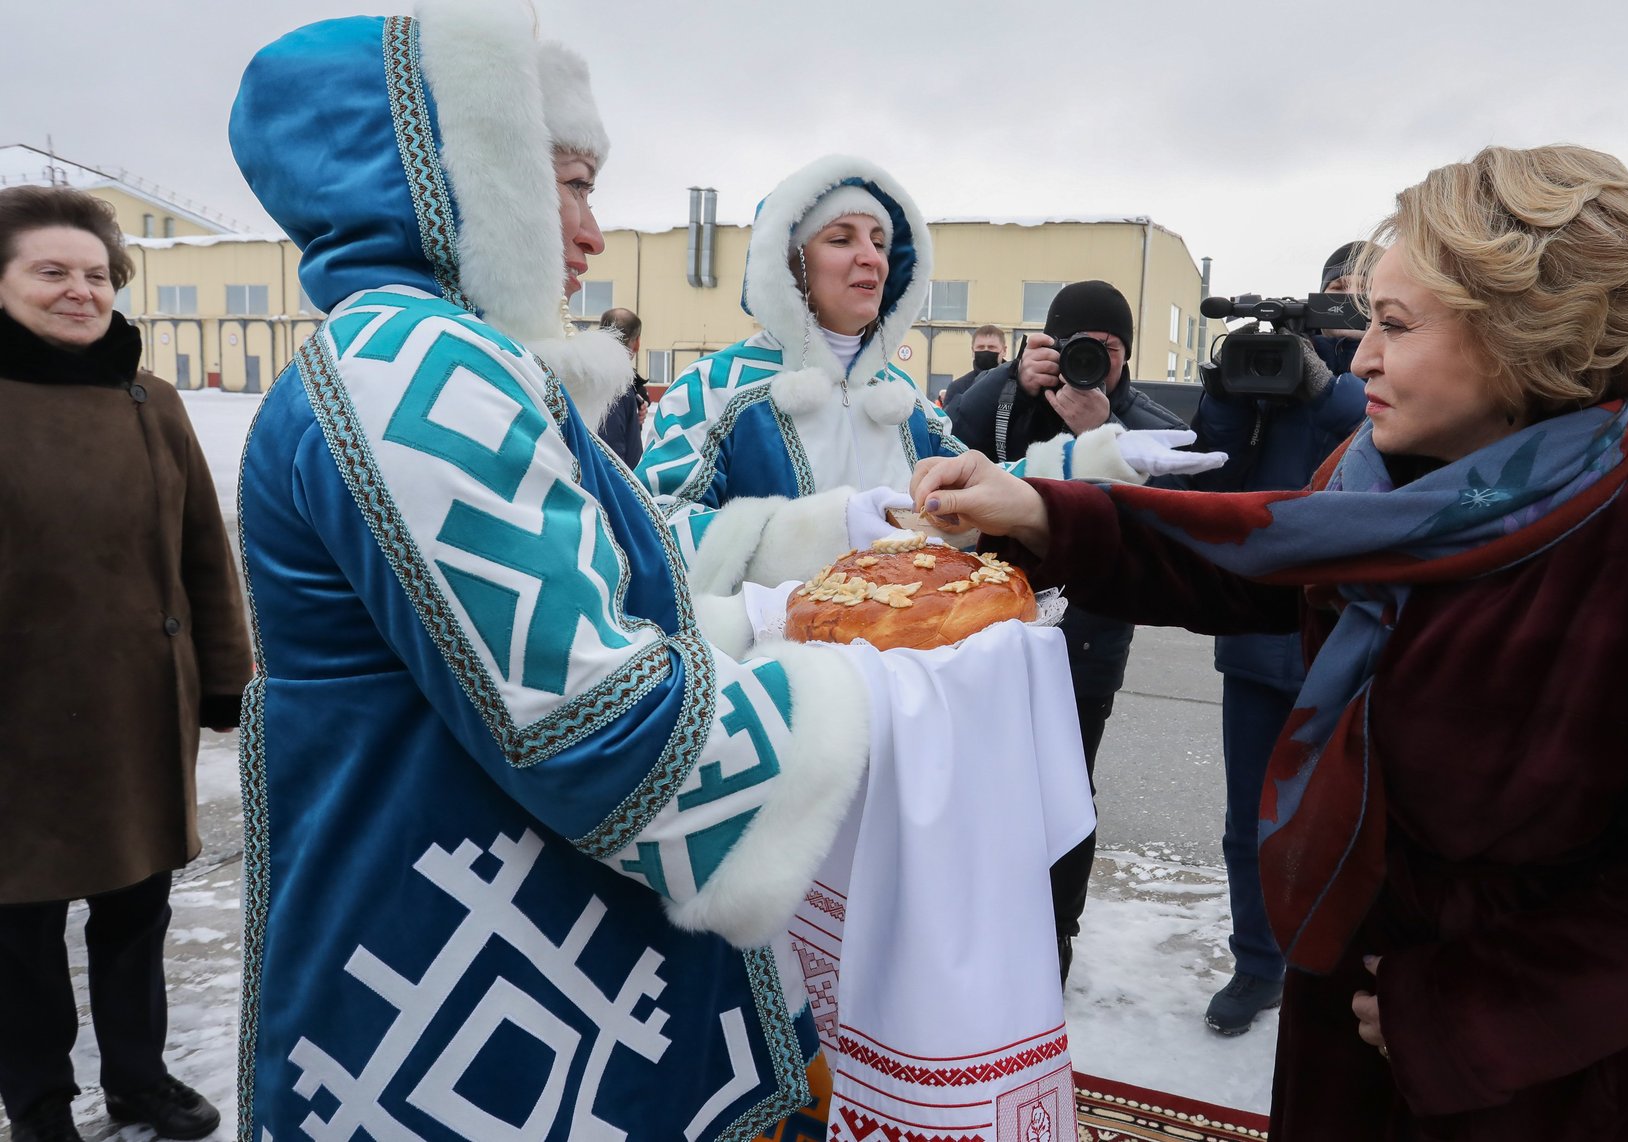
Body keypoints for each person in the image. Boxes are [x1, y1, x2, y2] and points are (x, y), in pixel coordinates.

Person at [910, 143, 1628, 1140]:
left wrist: (1465, 1012)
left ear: (1519, 334)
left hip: (1531, 1080)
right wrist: (1036, 509)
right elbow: (1241, 550)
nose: (1361, 357)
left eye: (1393, 325)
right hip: (1339, 1040)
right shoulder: (1376, 475)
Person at [224, 7, 936, 1138]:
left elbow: (596, 600)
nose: (593, 236)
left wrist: (757, 627)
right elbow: (590, 724)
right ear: (461, 171)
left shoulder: (413, 354)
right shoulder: (408, 361)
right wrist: (871, 691)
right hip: (464, 945)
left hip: (490, 934)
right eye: (564, 181)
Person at [635, 159, 1202, 600]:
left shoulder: (900, 397)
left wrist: (1092, 459)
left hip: (900, 667)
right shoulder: (715, 386)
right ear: (788, 262)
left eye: (879, 243)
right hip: (776, 690)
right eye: (841, 239)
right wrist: (829, 528)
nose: (872, 260)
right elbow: (654, 537)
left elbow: (976, 490)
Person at [0, 186, 250, 1142]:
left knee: (136, 913)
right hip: (16, 721)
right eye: (51, 271)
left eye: (97, 275)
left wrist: (225, 675)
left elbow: (202, 552)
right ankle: (39, 1106)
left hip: (136, 711)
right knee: (18, 932)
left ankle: (140, 1082)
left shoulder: (153, 401)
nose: (80, 292)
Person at [945, 280, 1189, 982]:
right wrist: (1007, 378)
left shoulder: (1141, 417)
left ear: (1127, 355)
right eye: (1076, 347)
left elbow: (1168, 520)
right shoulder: (1006, 396)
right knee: (979, 786)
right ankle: (982, 927)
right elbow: (941, 443)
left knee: (1064, 794)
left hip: (1086, 644)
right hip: (984, 632)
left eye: (1107, 350)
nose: (1092, 362)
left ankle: (1054, 938)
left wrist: (1098, 434)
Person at [1192, 244, 1370, 1035]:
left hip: (1352, 634)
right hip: (1261, 633)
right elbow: (1215, 474)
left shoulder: (1386, 373)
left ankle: (1333, 965)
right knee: (1248, 822)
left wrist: (1327, 384)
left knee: (1346, 818)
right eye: (1338, 289)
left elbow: (1375, 440)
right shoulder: (1277, 359)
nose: (1346, 303)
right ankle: (1257, 964)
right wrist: (1229, 387)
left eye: (1362, 295)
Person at [594, 305, 649, 467]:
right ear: (637, 343)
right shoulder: (614, 383)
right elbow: (611, 451)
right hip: (616, 484)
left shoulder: (593, 373)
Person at [938, 322, 1007, 408]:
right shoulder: (958, 388)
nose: (986, 351)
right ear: (973, 351)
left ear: (1004, 351)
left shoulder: (1017, 384)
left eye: (991, 347)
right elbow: (949, 420)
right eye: (980, 347)